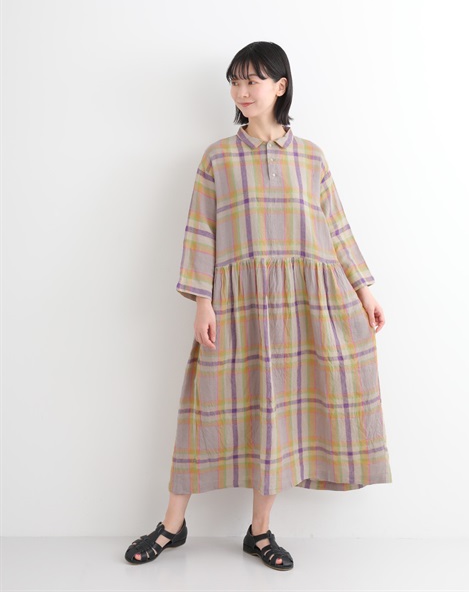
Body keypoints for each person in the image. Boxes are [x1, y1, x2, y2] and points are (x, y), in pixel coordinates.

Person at [124, 41, 392, 571]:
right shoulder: (218, 157)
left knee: (279, 415)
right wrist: (203, 301)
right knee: (205, 410)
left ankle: (260, 531)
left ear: (280, 86)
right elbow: (201, 232)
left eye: (253, 80)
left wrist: (364, 290)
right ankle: (171, 526)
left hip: (303, 307)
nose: (242, 91)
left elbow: (336, 228)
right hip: (237, 307)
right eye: (235, 81)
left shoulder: (311, 156)